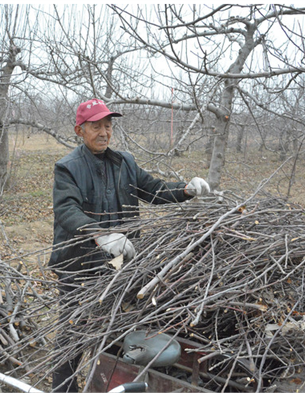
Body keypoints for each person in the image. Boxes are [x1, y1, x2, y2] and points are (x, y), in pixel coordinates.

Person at [48, 98, 211, 392]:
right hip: (79, 266)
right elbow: (67, 211)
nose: (104, 132)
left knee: (115, 327)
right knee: (74, 333)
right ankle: (63, 389)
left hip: (119, 265)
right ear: (79, 130)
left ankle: (106, 382)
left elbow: (155, 189)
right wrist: (101, 235)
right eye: (95, 126)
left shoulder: (125, 162)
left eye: (108, 126)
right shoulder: (68, 168)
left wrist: (186, 189)